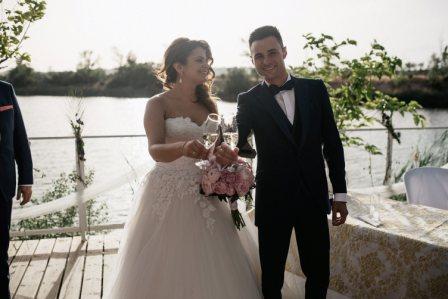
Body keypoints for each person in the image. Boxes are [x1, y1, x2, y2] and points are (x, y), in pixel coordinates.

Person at [105, 38, 265, 299]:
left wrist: (225, 155)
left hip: (207, 190)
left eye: (207, 60)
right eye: (199, 60)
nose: (206, 66)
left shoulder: (209, 105)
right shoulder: (157, 104)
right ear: (179, 66)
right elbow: (154, 149)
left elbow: (216, 149)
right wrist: (182, 147)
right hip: (168, 189)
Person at [216, 25, 349, 299]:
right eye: (258, 56)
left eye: (272, 52)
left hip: (313, 196)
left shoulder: (315, 89)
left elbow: (333, 145)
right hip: (273, 198)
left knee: (318, 273)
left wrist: (340, 195)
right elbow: (240, 142)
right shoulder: (248, 100)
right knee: (272, 277)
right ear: (252, 60)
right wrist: (231, 149)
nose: (266, 61)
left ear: (284, 51)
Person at [0, 81, 33, 299]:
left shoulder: (5, 90)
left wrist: (26, 179)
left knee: (0, 249)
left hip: (2, 183)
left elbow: (20, 137)